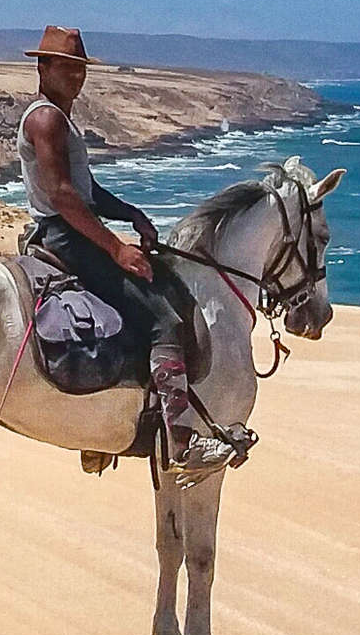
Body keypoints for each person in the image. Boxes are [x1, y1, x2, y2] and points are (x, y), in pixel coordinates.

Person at [17, 25, 235, 484]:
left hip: (70, 230)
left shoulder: (60, 117)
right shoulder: (47, 120)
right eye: (67, 67)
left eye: (81, 69)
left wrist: (130, 213)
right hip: (63, 236)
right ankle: (182, 442)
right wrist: (116, 248)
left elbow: (87, 190)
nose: (77, 76)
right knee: (163, 320)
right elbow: (62, 195)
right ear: (43, 67)